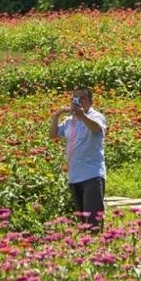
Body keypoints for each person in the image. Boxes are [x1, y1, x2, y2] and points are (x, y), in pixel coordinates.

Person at [49, 87, 107, 231]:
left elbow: (95, 129)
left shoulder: (95, 116)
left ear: (90, 101)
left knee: (93, 219)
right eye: (75, 98)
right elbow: (53, 134)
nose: (79, 101)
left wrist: (82, 116)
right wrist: (56, 115)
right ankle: (87, 247)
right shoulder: (70, 121)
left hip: (92, 174)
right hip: (74, 175)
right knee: (82, 220)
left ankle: (99, 245)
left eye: (83, 98)